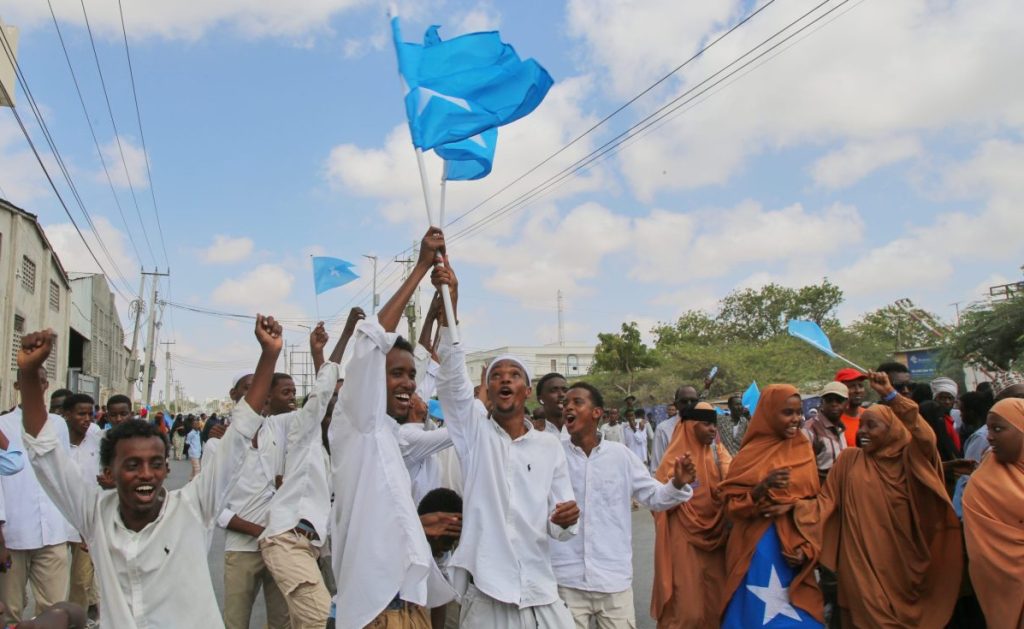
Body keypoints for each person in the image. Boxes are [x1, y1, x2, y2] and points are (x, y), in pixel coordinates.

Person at [16, 314, 284, 629]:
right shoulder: (94, 514)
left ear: (166, 469)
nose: (145, 474)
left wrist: (269, 355)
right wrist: (30, 373)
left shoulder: (194, 507)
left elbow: (239, 434)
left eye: (155, 464)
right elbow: (44, 453)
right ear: (110, 472)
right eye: (132, 465)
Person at [432, 252, 579, 629]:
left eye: (514, 374)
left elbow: (564, 524)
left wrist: (566, 519)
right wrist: (452, 306)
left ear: (527, 390)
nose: (505, 380)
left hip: (540, 591)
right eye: (497, 375)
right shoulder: (474, 433)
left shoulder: (549, 447)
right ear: (489, 387)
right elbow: (450, 381)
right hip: (488, 592)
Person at [328, 228, 457, 629]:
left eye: (409, 376)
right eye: (395, 374)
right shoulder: (357, 423)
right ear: (368, 380)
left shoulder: (389, 432)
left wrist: (450, 302)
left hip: (411, 605)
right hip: (374, 613)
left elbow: (434, 370)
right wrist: (420, 267)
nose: (407, 384)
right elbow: (371, 343)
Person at [813, 372, 962, 627]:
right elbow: (824, 504)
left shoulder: (909, 460)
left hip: (904, 564)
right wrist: (787, 509)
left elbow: (926, 438)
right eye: (862, 426)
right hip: (860, 566)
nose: (863, 432)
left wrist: (891, 396)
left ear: (892, 430)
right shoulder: (849, 461)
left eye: (872, 426)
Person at [553, 383, 694, 629]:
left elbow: (654, 497)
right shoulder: (553, 455)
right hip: (566, 580)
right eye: (566, 404)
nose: (568, 408)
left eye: (577, 402)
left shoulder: (621, 456)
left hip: (613, 581)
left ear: (597, 413)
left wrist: (678, 483)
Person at [260, 313, 357, 629]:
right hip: (287, 541)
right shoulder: (305, 432)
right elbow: (323, 390)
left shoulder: (340, 450)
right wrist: (345, 335)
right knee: (324, 622)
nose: (339, 405)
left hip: (314, 549)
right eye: (335, 401)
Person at [718, 384, 824, 626]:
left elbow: (815, 501)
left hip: (793, 548)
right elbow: (731, 508)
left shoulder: (803, 448)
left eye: (798, 412)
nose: (796, 419)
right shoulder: (749, 455)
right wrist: (759, 490)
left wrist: (793, 509)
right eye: (787, 412)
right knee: (755, 615)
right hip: (755, 549)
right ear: (768, 412)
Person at [0, 366, 73, 623]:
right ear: (18, 386)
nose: (37, 385)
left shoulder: (59, 425)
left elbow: (65, 474)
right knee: (10, 612)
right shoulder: (3, 425)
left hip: (53, 533)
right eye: (30, 381)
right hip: (13, 535)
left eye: (41, 381)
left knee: (54, 613)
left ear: (46, 386)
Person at [651, 402, 732, 628]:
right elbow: (657, 502)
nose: (712, 430)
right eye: (705, 424)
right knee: (687, 607)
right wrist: (677, 484)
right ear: (690, 426)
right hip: (683, 538)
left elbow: (734, 480)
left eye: (713, 425)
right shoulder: (672, 461)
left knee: (716, 601)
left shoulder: (719, 453)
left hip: (716, 539)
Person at [962, 398, 1024, 628]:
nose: (989, 437)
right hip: (1011, 590)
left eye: (998, 429)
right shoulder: (985, 482)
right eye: (989, 429)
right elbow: (987, 555)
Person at [62, 393, 103, 616]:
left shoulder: (98, 442)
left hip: (87, 521)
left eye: (90, 413)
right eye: (81, 414)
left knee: (80, 580)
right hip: (58, 522)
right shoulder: (57, 443)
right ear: (67, 415)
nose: (87, 418)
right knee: (57, 584)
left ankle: (77, 618)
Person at [801, 382, 848, 483]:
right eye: (829, 400)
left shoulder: (841, 428)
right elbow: (804, 468)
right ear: (822, 402)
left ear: (846, 404)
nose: (834, 404)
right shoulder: (810, 429)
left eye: (839, 400)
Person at [652, 389, 694, 471]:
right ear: (676, 405)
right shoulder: (663, 429)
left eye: (693, 401)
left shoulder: (704, 427)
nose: (689, 405)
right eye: (684, 401)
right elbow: (656, 467)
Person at [834, 369, 866, 447]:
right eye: (852, 386)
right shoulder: (832, 421)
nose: (858, 390)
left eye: (860, 386)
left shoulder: (870, 415)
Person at [537, 373, 570, 441]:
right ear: (541, 399)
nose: (561, 395)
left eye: (565, 390)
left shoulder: (584, 431)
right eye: (553, 390)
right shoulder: (534, 435)